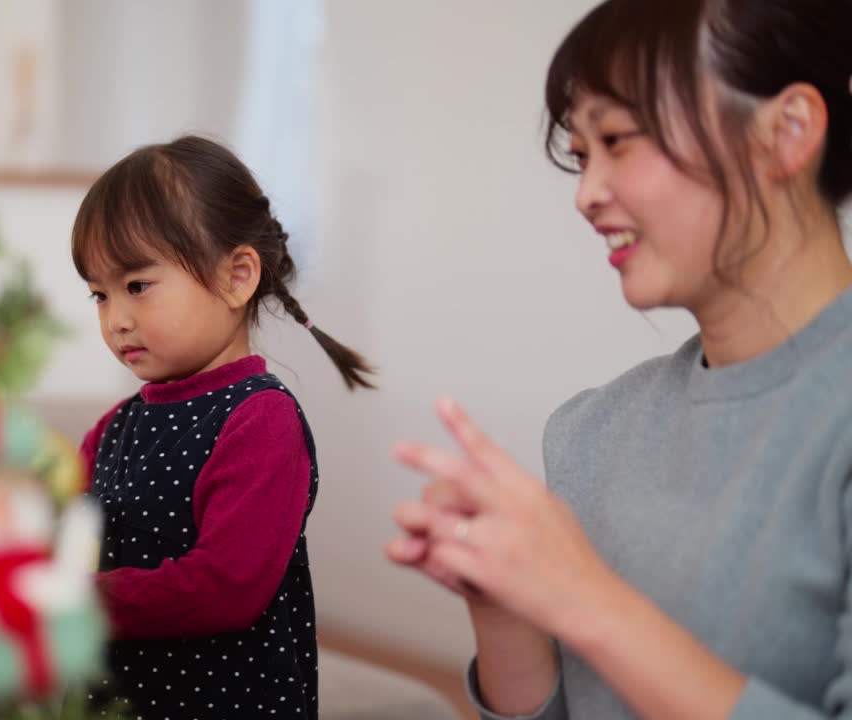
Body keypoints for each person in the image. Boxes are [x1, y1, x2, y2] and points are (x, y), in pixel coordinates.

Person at [388, 0, 852, 718]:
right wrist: (507, 605)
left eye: (618, 140)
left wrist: (583, 599)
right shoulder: (588, 432)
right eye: (580, 155)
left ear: (786, 132)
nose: (585, 195)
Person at [73, 135, 374, 719]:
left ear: (237, 277)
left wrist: (76, 602)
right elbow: (64, 533)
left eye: (137, 286)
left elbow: (228, 585)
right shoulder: (115, 428)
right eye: (99, 296)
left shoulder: (260, 419)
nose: (116, 319)